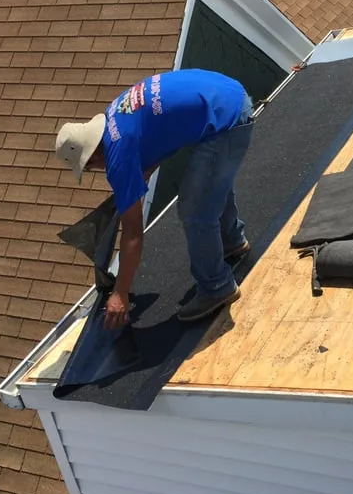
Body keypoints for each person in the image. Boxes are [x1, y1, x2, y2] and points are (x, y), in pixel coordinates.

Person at [54, 69, 254, 328]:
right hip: (227, 93)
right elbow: (161, 138)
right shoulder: (115, 115)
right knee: (210, 183)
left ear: (92, 158)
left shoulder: (118, 159)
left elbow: (134, 235)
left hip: (226, 119)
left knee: (194, 209)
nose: (95, 171)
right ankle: (232, 241)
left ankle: (217, 287)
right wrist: (138, 178)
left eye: (89, 167)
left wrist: (120, 293)